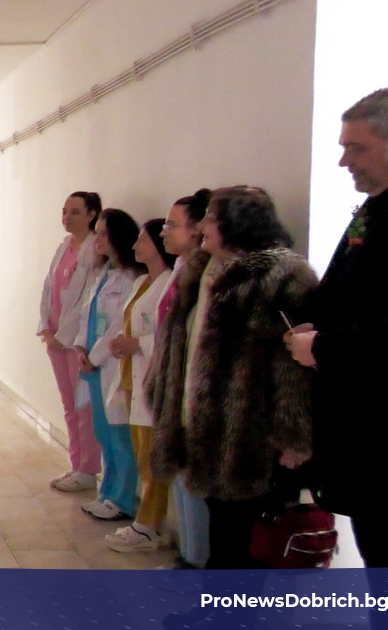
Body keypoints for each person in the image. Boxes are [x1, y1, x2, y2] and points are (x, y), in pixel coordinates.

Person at [150, 186, 316, 569]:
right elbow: (183, 344)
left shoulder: (281, 277)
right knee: (221, 533)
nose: (201, 226)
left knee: (242, 545)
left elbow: (292, 369)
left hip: (249, 437)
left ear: (237, 224)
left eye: (210, 218)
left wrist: (293, 438)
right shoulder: (200, 270)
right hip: (200, 427)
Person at [286, 88, 388, 568]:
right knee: (381, 558)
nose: (343, 162)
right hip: (367, 435)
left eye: (356, 148)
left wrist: (324, 346)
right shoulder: (378, 206)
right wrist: (315, 324)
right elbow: (358, 292)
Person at [148, 189, 212, 569]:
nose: (164, 231)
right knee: (180, 479)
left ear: (197, 229)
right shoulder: (181, 270)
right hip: (171, 390)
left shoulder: (205, 276)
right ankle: (188, 556)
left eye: (172, 224)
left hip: (191, 394)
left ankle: (197, 561)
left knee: (193, 482)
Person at [104, 219, 176, 551]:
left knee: (152, 457)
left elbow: (168, 333)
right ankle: (145, 521)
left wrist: (136, 344)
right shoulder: (143, 281)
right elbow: (130, 321)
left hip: (151, 374)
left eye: (143, 240)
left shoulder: (169, 283)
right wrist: (122, 341)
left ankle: (149, 526)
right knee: (140, 452)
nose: (135, 246)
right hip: (133, 375)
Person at [73, 209, 145, 521]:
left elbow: (119, 325)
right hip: (92, 366)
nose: (97, 239)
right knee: (103, 432)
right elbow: (87, 315)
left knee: (120, 437)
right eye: (97, 232)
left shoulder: (132, 278)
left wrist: (94, 357)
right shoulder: (102, 273)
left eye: (104, 233)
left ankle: (123, 499)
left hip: (111, 364)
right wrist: (80, 347)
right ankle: (106, 492)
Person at [40, 192, 103, 493]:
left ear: (92, 215)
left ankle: (88, 470)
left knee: (84, 408)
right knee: (68, 404)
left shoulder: (94, 250)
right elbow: (48, 289)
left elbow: (87, 301)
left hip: (76, 341)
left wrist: (62, 337)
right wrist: (45, 328)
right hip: (54, 339)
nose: (67, 217)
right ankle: (76, 464)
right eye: (64, 211)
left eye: (75, 212)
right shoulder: (64, 246)